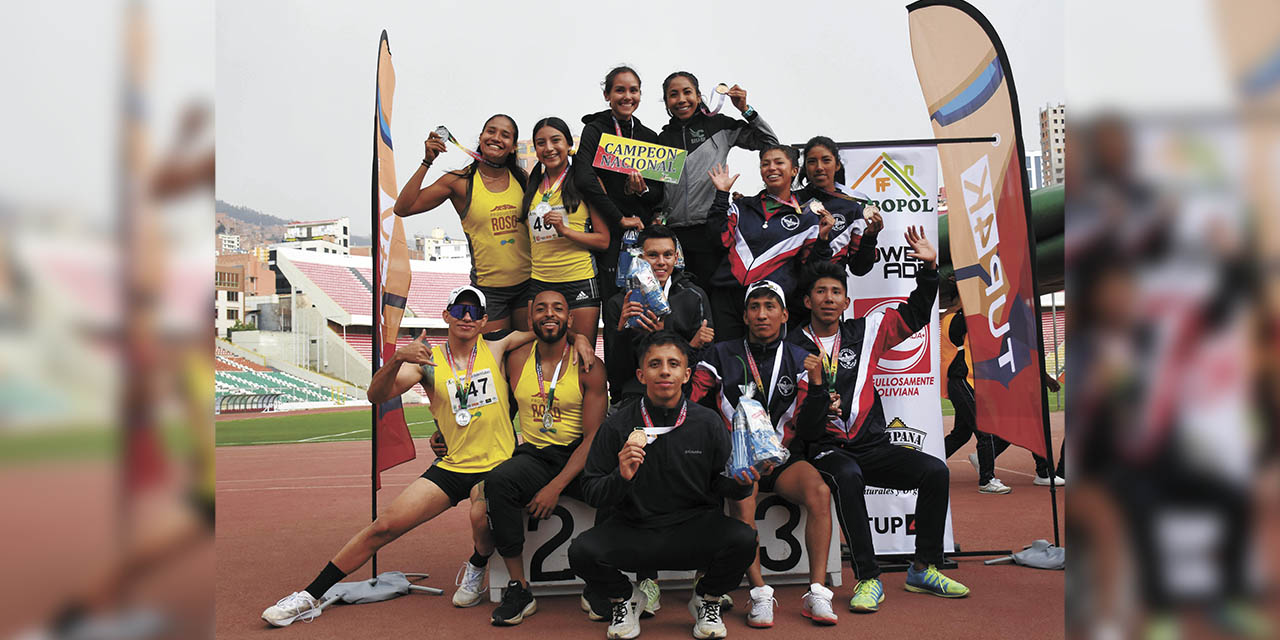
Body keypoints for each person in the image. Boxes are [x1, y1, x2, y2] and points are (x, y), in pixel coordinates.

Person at [260, 287, 591, 626]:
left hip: (497, 467)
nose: (467, 317)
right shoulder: (426, 362)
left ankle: (477, 562)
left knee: (480, 517)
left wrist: (580, 339)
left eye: (475, 312)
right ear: (446, 315)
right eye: (460, 309)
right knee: (383, 527)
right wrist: (398, 359)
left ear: (484, 321)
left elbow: (550, 327)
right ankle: (308, 597)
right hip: (451, 466)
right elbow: (376, 395)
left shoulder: (498, 346)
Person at [787, 232, 970, 616]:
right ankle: (868, 576)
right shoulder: (791, 347)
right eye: (820, 291)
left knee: (934, 471)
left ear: (846, 301)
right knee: (848, 475)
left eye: (836, 292)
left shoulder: (866, 331)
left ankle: (923, 567)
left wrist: (929, 268)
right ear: (807, 301)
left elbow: (917, 314)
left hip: (871, 444)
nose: (828, 298)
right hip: (825, 448)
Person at [569, 331, 757, 640]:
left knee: (744, 539)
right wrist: (621, 476)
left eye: (673, 364)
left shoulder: (708, 422)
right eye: (655, 364)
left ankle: (706, 599)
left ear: (687, 374)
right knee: (581, 552)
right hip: (635, 531)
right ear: (641, 374)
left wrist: (743, 481)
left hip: (695, 530)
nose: (665, 371)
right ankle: (623, 599)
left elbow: (726, 486)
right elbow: (591, 491)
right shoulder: (616, 424)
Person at [690, 281, 838, 627]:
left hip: (783, 459)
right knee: (742, 499)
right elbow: (693, 399)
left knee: (819, 491)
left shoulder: (803, 359)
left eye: (770, 307)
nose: (761, 314)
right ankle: (759, 594)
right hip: (740, 460)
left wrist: (817, 386)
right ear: (744, 315)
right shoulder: (720, 354)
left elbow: (814, 429)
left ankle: (817, 591)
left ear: (784, 314)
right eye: (754, 307)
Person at [473, 290, 607, 626]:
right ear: (530, 317)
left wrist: (555, 486)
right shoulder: (515, 358)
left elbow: (593, 438)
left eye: (558, 309)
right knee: (498, 483)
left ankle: (599, 583)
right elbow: (488, 408)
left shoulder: (589, 365)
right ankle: (519, 587)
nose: (550, 314)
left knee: (617, 489)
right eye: (541, 309)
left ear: (570, 318)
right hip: (534, 455)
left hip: (578, 454)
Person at [394, 114, 532, 332]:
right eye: (491, 131)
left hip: (528, 287)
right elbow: (403, 208)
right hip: (490, 292)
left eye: (505, 135)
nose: (496, 138)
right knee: (496, 361)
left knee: (526, 359)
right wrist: (427, 161)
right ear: (481, 136)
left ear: (513, 147)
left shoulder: (523, 179)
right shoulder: (459, 182)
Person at [657, 72, 778, 289]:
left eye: (687, 92)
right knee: (681, 303)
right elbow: (657, 191)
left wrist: (745, 109)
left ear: (698, 95)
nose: (681, 99)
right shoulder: (662, 139)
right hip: (674, 235)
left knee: (712, 298)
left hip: (710, 229)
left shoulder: (718, 126)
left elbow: (769, 143)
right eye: (673, 95)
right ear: (666, 102)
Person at [704, 147, 835, 341]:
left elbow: (812, 270)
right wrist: (722, 195)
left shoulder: (808, 218)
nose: (771, 168)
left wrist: (823, 240)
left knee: (767, 364)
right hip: (728, 299)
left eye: (779, 163)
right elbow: (718, 240)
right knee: (729, 362)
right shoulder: (741, 207)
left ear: (794, 170)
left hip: (770, 301)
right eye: (765, 164)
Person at [573, 65, 666, 306]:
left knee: (647, 305)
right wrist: (618, 218)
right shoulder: (595, 130)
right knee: (615, 306)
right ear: (607, 95)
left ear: (640, 95)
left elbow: (658, 194)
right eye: (619, 90)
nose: (627, 96)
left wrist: (642, 190)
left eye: (633, 90)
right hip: (609, 235)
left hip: (642, 236)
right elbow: (583, 178)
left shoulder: (649, 137)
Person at [522, 117, 611, 346]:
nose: (548, 148)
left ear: (569, 145)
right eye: (541, 143)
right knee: (540, 354)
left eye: (556, 140)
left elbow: (603, 240)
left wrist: (565, 230)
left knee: (581, 353)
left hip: (578, 279)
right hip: (540, 281)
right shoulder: (532, 184)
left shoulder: (586, 182)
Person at [603, 224, 715, 404]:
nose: (661, 262)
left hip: (685, 394)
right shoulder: (619, 303)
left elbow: (705, 365)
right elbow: (616, 376)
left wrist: (666, 335)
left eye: (668, 255)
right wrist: (623, 331)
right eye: (653, 255)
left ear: (676, 257)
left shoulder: (694, 296)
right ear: (639, 257)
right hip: (635, 396)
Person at [941, 309, 1013, 494]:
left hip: (967, 382)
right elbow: (966, 323)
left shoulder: (961, 318)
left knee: (961, 434)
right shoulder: (953, 319)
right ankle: (987, 480)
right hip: (960, 381)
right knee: (985, 430)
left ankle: (930, 464)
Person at [793, 135, 882, 277]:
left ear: (837, 165)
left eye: (826, 160)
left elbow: (859, 269)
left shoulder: (852, 207)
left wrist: (870, 237)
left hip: (833, 292)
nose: (819, 167)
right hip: (795, 293)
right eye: (812, 162)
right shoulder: (791, 202)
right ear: (805, 167)